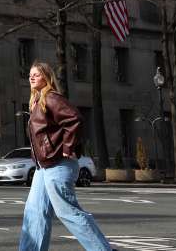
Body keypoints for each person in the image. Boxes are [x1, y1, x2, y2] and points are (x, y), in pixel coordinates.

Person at [19, 62, 111, 250]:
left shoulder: (51, 98)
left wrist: (67, 148)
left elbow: (74, 119)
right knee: (34, 213)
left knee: (67, 211)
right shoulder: (37, 101)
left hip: (58, 164)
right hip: (43, 167)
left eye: (36, 74)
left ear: (46, 77)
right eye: (30, 74)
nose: (32, 77)